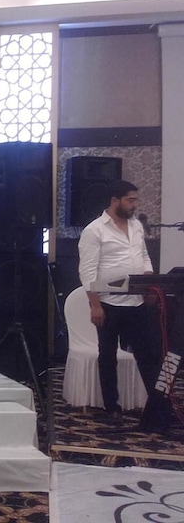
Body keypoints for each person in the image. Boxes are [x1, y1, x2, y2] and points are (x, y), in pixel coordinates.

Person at [77, 180, 161, 420]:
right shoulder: (95, 230)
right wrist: (95, 305)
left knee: (148, 354)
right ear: (115, 200)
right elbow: (87, 271)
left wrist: (148, 282)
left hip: (136, 302)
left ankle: (158, 406)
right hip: (108, 304)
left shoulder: (136, 226)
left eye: (136, 200)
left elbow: (144, 256)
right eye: (130, 200)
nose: (135, 205)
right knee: (108, 356)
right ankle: (111, 407)